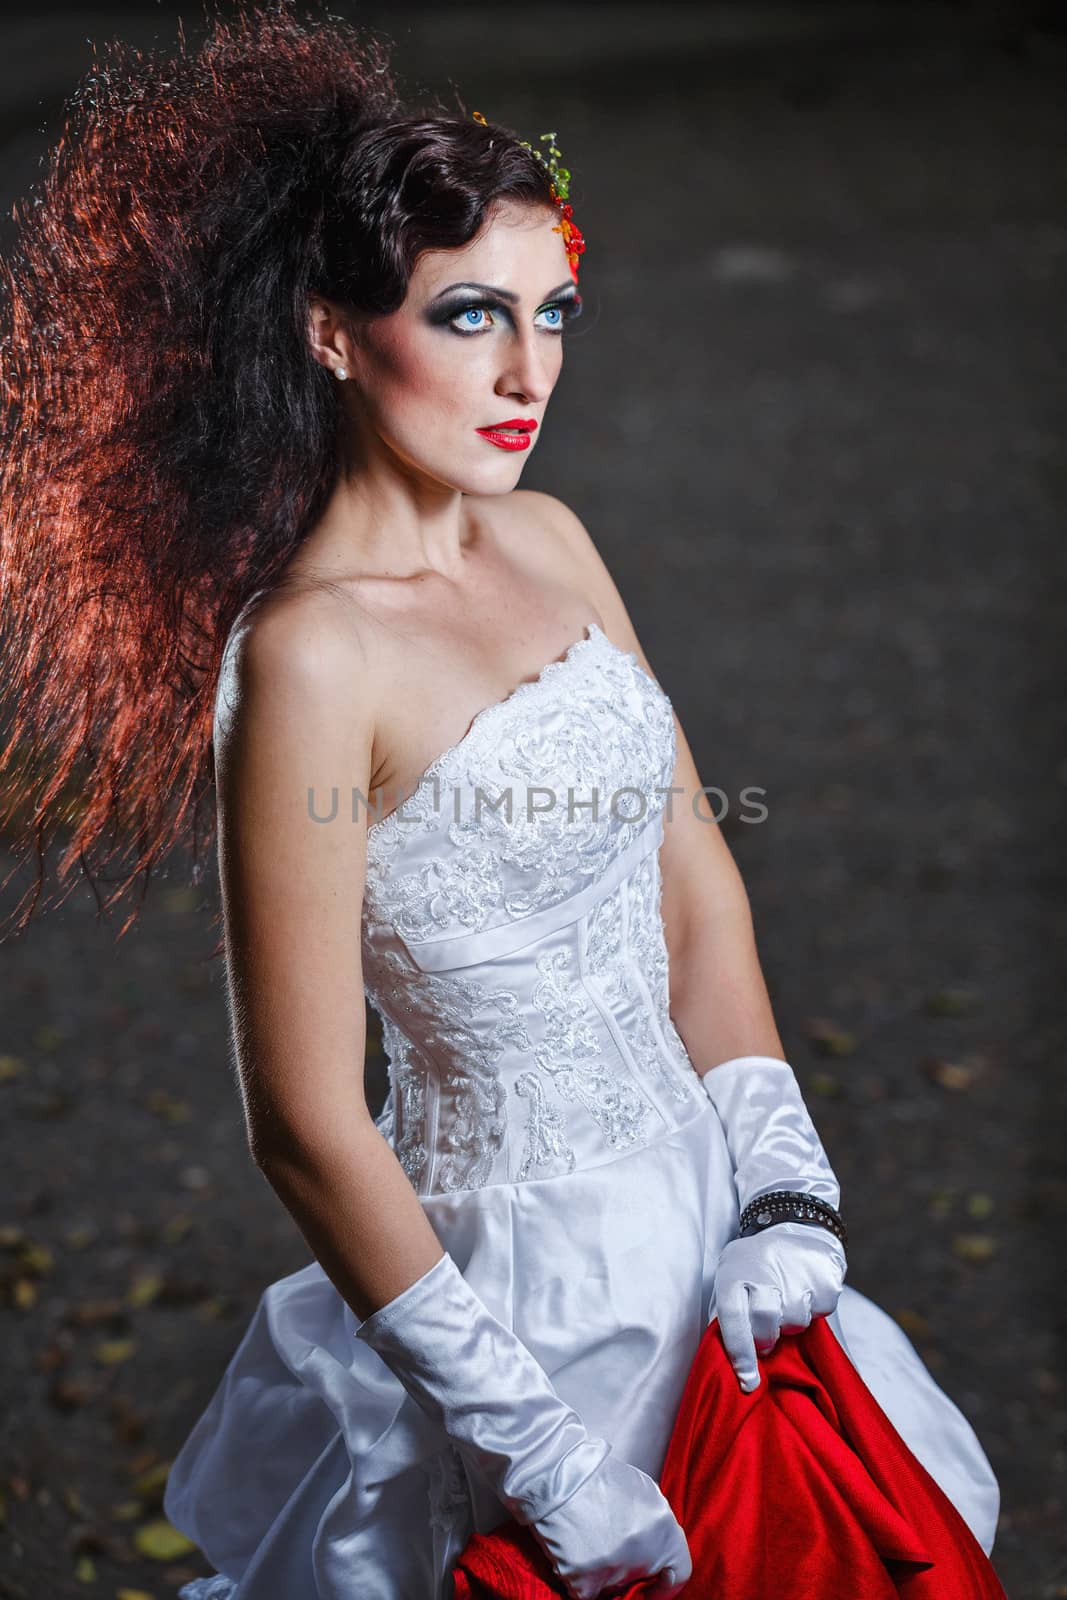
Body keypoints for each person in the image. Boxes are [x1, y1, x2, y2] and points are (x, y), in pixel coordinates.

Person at [0, 5, 1001, 1597]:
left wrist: (787, 1190)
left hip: (706, 1220)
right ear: (333, 332)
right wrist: (529, 1443)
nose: (532, 370)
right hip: (517, 1296)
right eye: (472, 316)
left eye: (557, 311)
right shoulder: (311, 663)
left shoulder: (550, 539)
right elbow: (308, 1119)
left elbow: (697, 887)